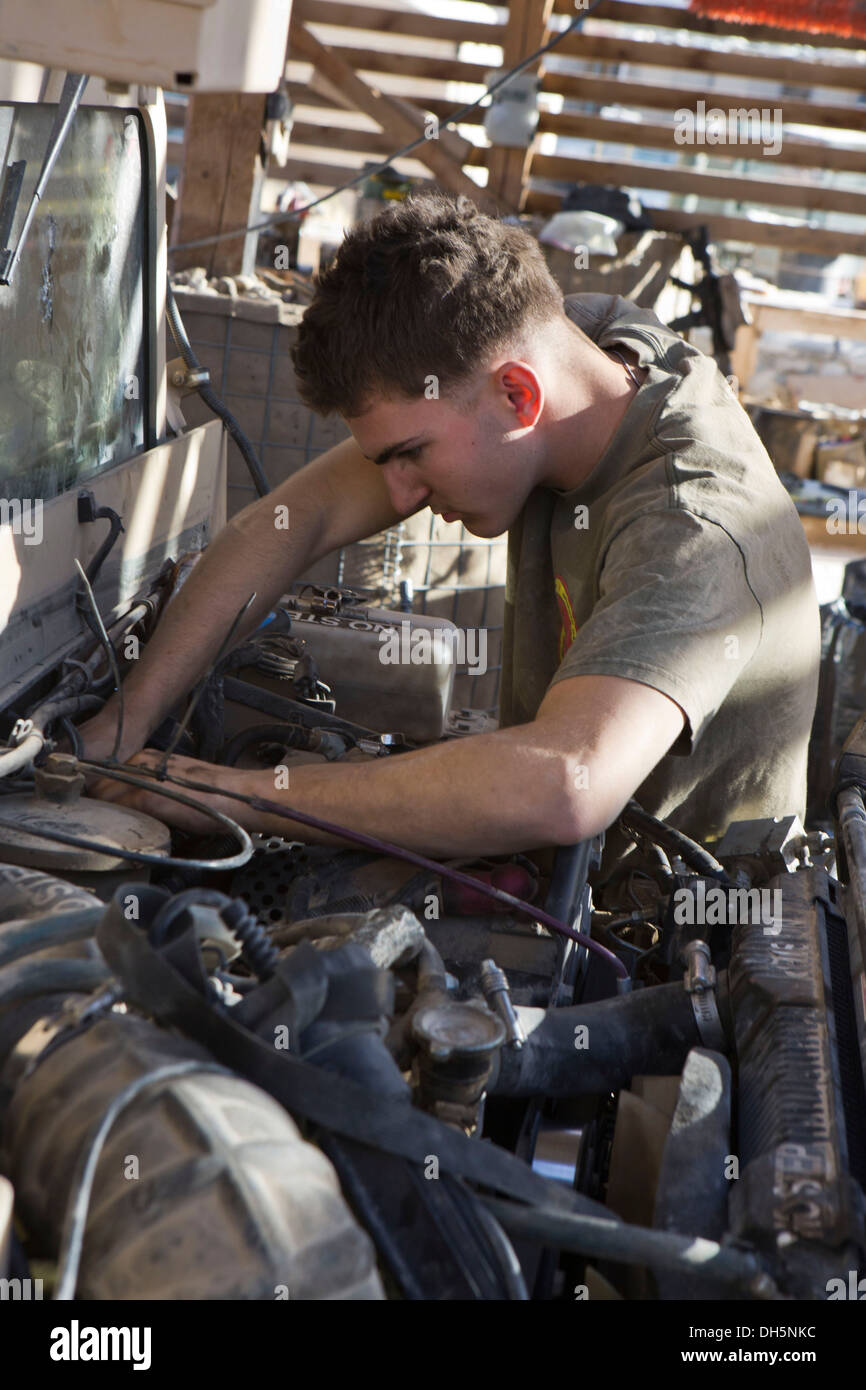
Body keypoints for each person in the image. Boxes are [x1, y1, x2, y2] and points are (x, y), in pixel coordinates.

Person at [81, 193, 821, 878]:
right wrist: (123, 722)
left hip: (653, 942)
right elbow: (294, 518)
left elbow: (567, 783)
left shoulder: (695, 526)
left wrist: (244, 794)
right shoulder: (581, 348)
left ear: (518, 395)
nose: (397, 493)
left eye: (411, 455)